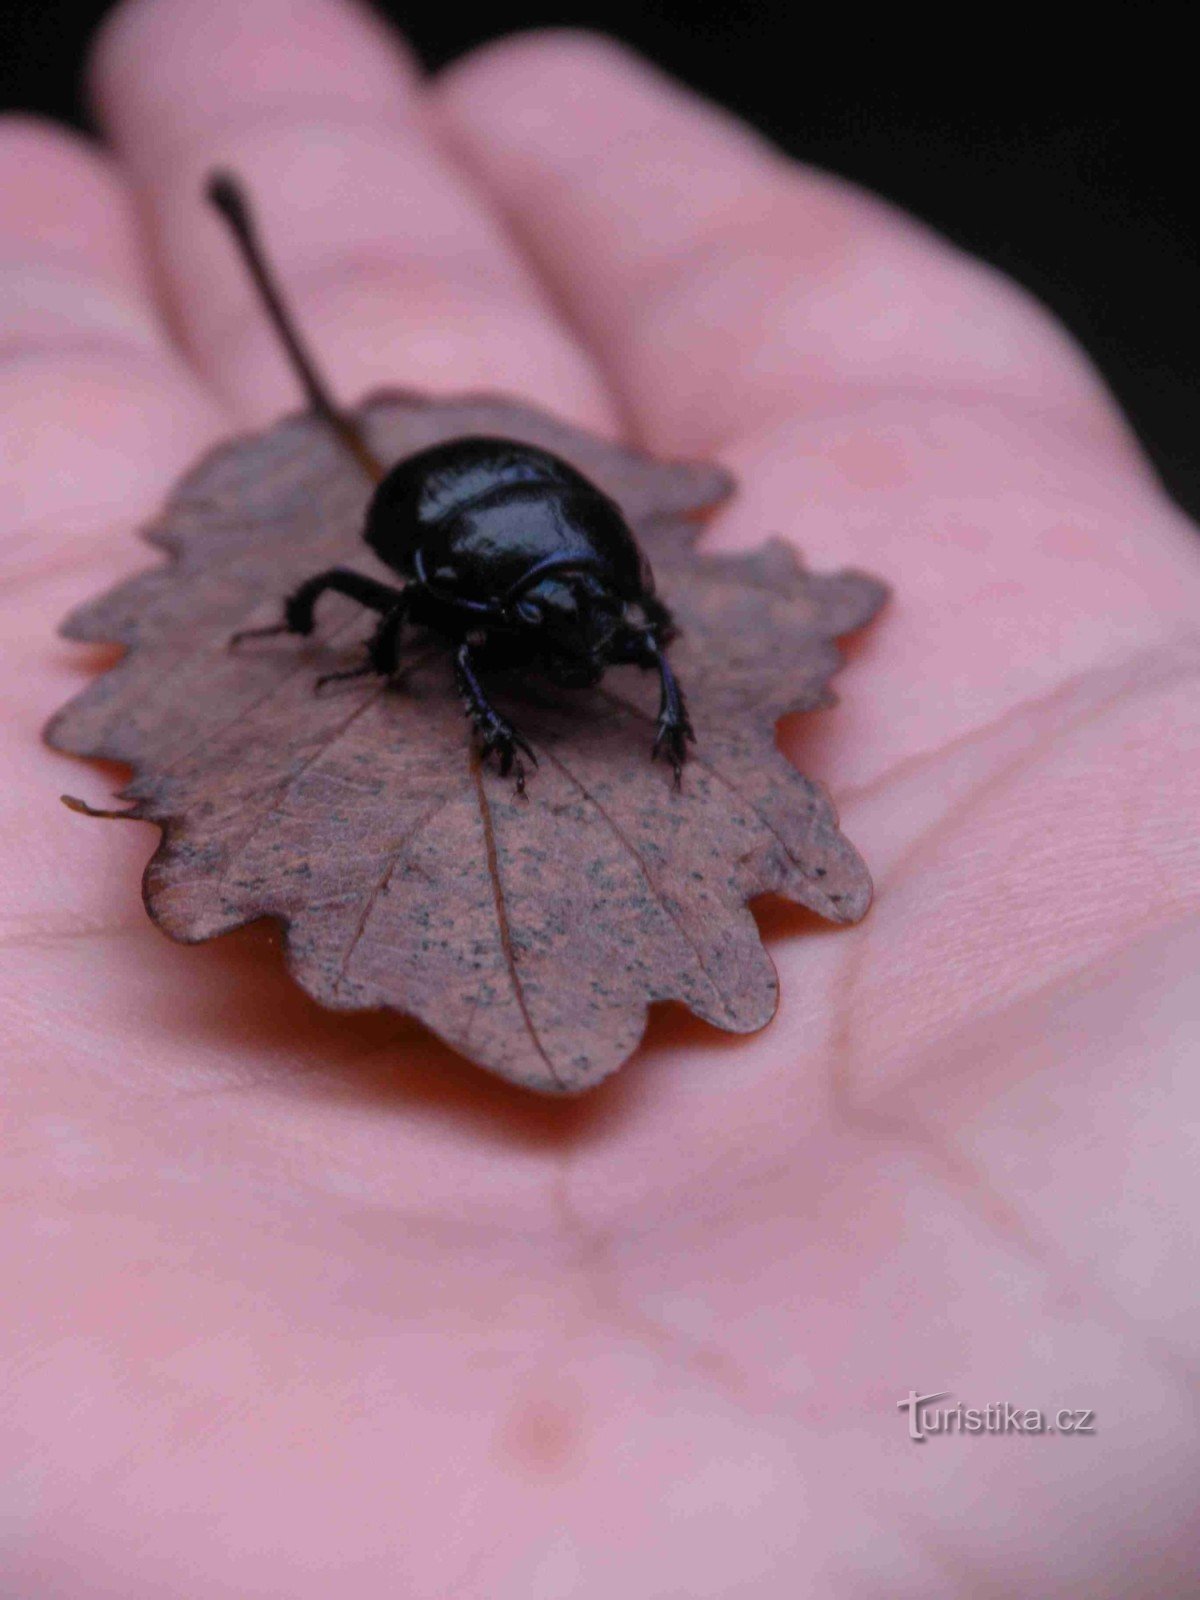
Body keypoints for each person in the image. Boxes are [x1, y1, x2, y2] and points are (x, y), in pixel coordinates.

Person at [2, 1, 1196, 1593]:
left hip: (536, 524)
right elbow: (447, 623)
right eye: (585, 640)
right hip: (453, 519)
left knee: (557, 635)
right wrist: (494, 711)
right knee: (397, 621)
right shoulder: (458, 598)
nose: (599, 656)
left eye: (611, 635)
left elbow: (630, 628)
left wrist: (667, 696)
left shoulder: (610, 602)